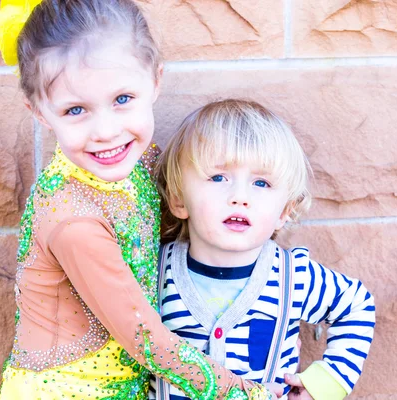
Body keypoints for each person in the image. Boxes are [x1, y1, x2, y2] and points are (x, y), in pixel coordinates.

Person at [0, 1, 275, 399]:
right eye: (76, 109)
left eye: (123, 99)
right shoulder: (75, 221)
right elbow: (146, 339)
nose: (107, 132)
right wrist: (249, 394)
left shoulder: (139, 163)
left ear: (155, 80)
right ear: (39, 112)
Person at [154, 99, 376, 400]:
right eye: (218, 177)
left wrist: (323, 385)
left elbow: (357, 305)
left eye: (261, 183)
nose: (240, 197)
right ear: (179, 199)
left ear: (284, 210)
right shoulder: (155, 271)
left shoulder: (294, 277)